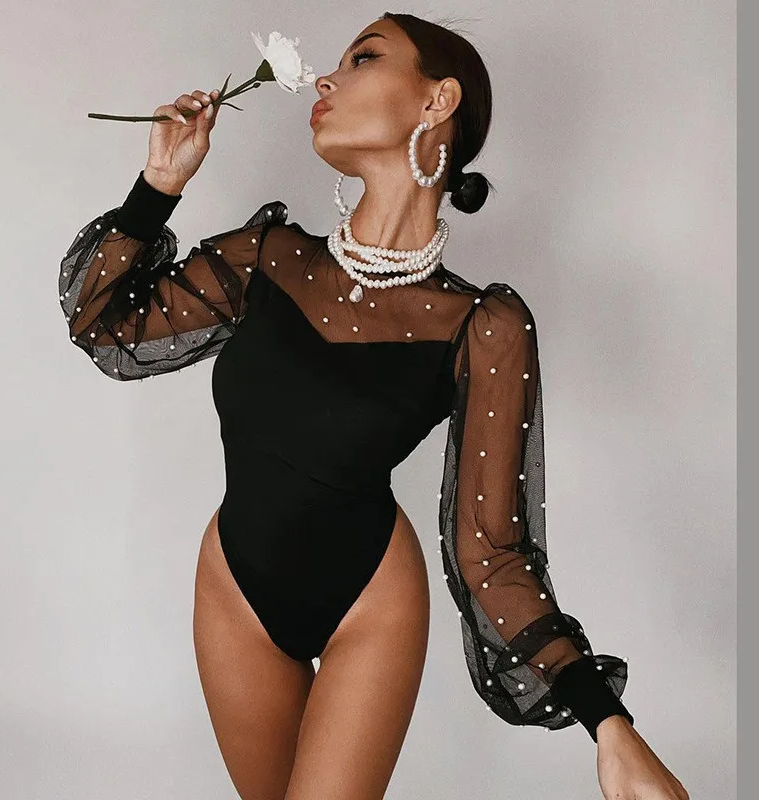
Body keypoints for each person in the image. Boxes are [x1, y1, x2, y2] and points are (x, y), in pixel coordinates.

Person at [58, 12, 689, 800]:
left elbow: (492, 550)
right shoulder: (265, 259)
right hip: (233, 592)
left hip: (368, 604)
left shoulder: (480, 326)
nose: (326, 77)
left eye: (364, 57)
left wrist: (609, 724)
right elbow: (105, 325)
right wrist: (158, 187)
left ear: (437, 101)